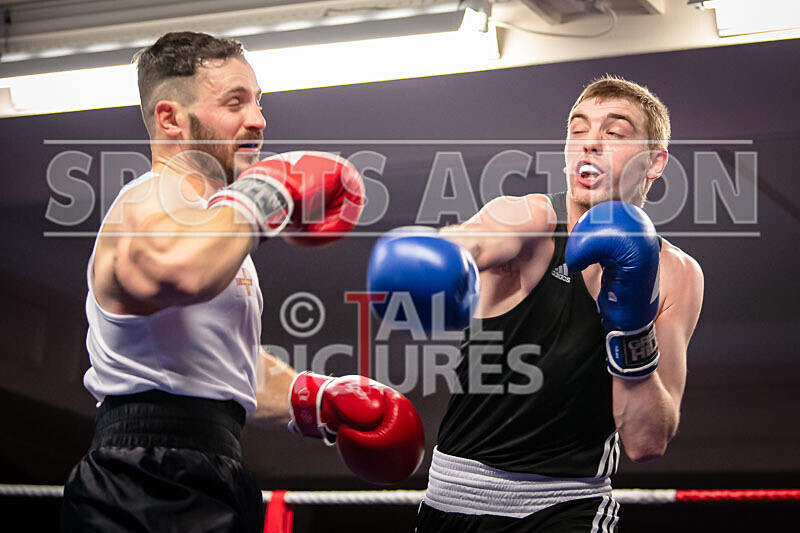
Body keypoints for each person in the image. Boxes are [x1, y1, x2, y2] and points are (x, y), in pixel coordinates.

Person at [61, 31, 424, 532]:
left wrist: (314, 398)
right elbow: (179, 270)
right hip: (140, 479)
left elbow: (216, 367)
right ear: (170, 118)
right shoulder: (146, 201)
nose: (258, 119)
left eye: (257, 102)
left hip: (216, 467)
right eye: (235, 103)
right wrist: (265, 192)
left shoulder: (220, 231)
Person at [368, 76, 704, 531]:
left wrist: (631, 327)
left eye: (614, 132)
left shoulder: (675, 273)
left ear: (654, 162)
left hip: (567, 506)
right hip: (452, 497)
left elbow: (647, 440)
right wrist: (437, 257)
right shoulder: (529, 219)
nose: (590, 144)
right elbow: (473, 242)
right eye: (578, 130)